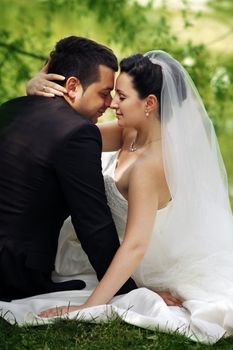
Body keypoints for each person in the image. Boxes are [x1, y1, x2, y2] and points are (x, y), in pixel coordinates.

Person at [31, 50, 233, 322]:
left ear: (149, 103)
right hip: (114, 247)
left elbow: (136, 245)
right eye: (114, 94)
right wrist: (34, 90)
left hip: (146, 259)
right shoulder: (130, 132)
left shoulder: (150, 166)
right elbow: (68, 136)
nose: (112, 104)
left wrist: (88, 307)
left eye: (122, 97)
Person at [0, 36, 137, 301]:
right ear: (73, 86)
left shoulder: (10, 107)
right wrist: (127, 292)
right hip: (12, 273)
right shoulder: (78, 133)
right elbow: (93, 223)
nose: (109, 102)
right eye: (104, 92)